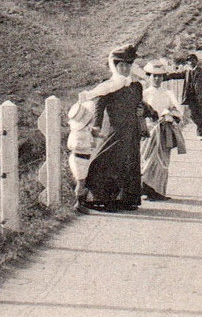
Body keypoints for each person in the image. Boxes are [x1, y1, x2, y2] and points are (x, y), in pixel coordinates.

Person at [78, 44, 147, 213]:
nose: (124, 69)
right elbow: (99, 107)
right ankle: (102, 199)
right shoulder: (108, 86)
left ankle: (126, 200)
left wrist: (142, 111)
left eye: (128, 65)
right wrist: (96, 126)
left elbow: (141, 105)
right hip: (115, 130)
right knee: (109, 162)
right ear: (115, 67)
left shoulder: (136, 86)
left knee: (130, 164)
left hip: (132, 131)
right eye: (121, 65)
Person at [140, 59, 186, 201]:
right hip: (148, 130)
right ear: (148, 77)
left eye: (159, 76)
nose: (156, 79)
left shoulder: (168, 93)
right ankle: (145, 189)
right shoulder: (144, 94)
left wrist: (169, 114)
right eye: (153, 75)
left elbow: (179, 110)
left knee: (162, 160)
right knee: (146, 158)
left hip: (164, 129)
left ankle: (158, 191)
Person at [167, 53, 202, 139]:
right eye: (189, 61)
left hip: (201, 97)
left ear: (197, 61)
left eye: (192, 60)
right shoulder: (187, 72)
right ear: (187, 63)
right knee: (192, 115)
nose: (190, 62)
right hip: (191, 98)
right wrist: (165, 76)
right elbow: (176, 75)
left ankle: (200, 134)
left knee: (200, 116)